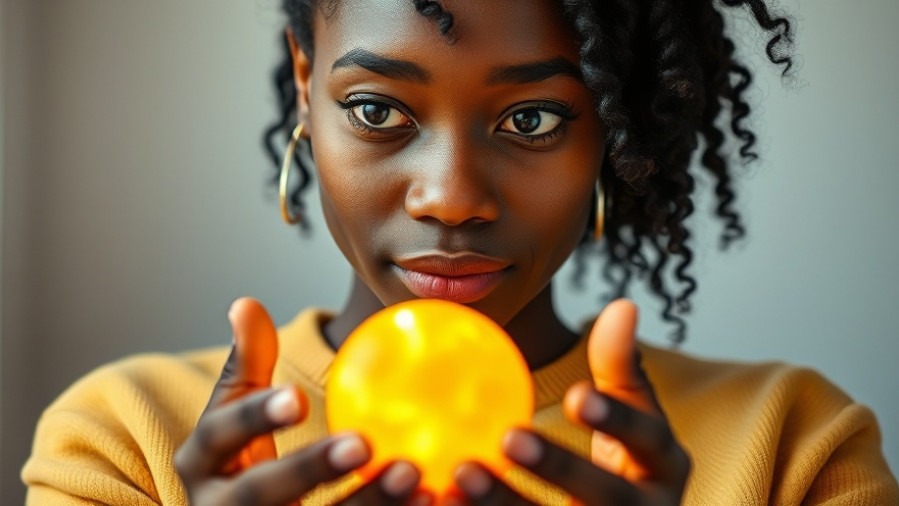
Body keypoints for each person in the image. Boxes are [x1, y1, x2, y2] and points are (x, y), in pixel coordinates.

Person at [21, 0, 899, 504]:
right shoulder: (124, 440)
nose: (450, 197)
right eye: (375, 110)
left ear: (610, 128)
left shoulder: (794, 449)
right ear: (303, 84)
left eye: (532, 120)